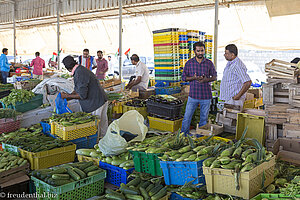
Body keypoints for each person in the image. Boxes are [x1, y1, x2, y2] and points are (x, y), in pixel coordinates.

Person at [61, 56, 108, 140]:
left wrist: (67, 96)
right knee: (102, 126)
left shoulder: (79, 73)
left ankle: (98, 145)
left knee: (96, 128)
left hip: (95, 103)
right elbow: (77, 90)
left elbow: (82, 95)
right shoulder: (80, 69)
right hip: (100, 100)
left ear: (68, 68)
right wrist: (67, 97)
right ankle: (104, 143)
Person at [181, 42, 217, 135]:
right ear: (194, 51)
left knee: (204, 118)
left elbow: (214, 77)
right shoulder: (189, 63)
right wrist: (194, 78)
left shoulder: (209, 63)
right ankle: (184, 134)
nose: (200, 53)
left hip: (206, 96)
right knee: (187, 116)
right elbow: (184, 78)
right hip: (193, 95)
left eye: (202, 50)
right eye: (198, 51)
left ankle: (200, 136)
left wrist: (206, 80)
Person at [220, 44, 252, 109]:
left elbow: (248, 82)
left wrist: (238, 96)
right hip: (229, 99)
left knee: (233, 118)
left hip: (234, 100)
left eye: (226, 53)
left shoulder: (237, 65)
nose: (224, 55)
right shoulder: (230, 63)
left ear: (232, 54)